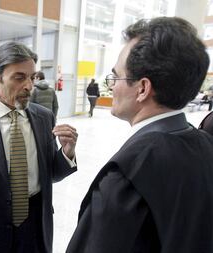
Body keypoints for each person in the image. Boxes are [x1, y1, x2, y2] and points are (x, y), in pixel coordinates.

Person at [66, 17, 213, 253]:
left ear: (143, 88)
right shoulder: (206, 145)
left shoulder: (128, 174)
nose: (112, 86)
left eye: (116, 77)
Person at [0, 41, 78, 253]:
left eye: (31, 77)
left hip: (37, 228)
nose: (29, 85)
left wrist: (67, 153)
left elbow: (51, 174)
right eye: (19, 77)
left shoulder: (44, 117)